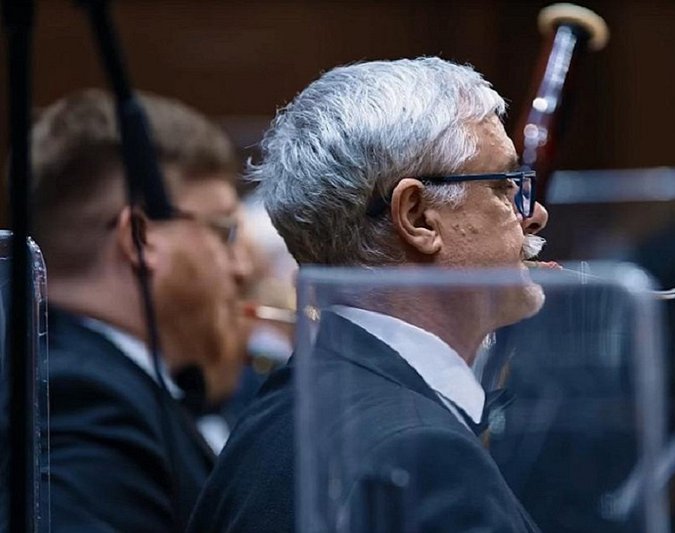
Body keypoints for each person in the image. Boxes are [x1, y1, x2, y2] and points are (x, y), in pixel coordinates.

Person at [188, 57, 550, 532]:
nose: (535, 214)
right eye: (503, 186)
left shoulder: (276, 413)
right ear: (418, 217)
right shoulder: (423, 457)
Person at [31, 89, 250, 531]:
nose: (241, 267)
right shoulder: (82, 401)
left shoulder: (86, 377)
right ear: (140, 238)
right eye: (224, 231)